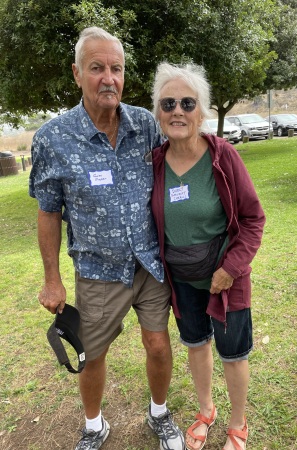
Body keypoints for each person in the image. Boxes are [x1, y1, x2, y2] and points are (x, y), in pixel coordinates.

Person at [29, 27, 184, 450]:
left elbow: (179, 168)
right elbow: (48, 211)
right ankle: (95, 424)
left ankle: (159, 413)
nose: (108, 78)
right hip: (97, 269)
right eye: (97, 68)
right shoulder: (53, 139)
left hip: (150, 263)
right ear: (77, 73)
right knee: (92, 354)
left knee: (157, 342)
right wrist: (52, 278)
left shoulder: (145, 125)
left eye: (116, 68)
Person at [151, 62, 266, 450]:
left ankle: (238, 423)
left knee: (233, 353)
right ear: (158, 113)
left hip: (225, 277)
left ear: (202, 111)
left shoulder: (223, 156)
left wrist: (231, 269)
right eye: (168, 104)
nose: (177, 111)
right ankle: (206, 412)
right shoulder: (152, 163)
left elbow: (253, 219)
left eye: (187, 102)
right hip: (181, 278)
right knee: (196, 345)